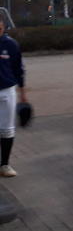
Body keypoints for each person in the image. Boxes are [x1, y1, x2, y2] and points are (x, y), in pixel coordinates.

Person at [0, 14, 26, 177]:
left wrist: (23, 93)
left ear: (3, 26)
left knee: (7, 129)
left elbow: (19, 69)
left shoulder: (11, 44)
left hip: (7, 90)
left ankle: (5, 165)